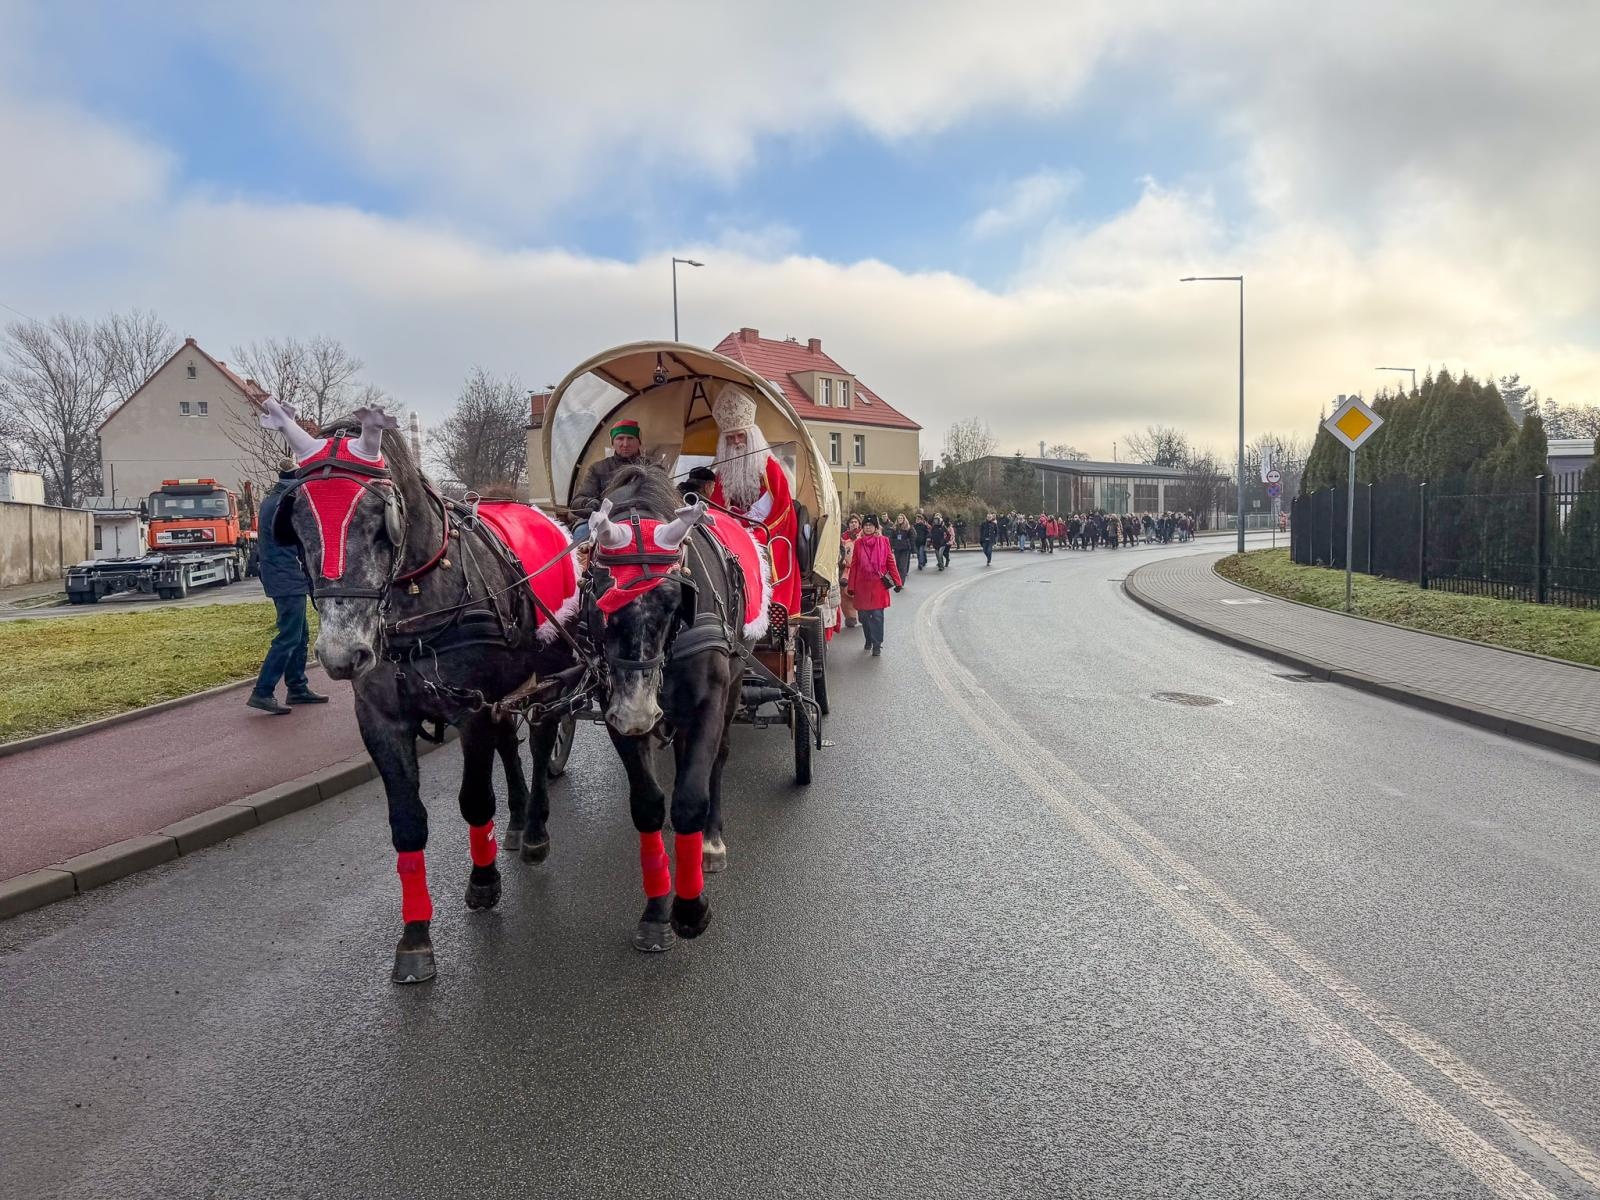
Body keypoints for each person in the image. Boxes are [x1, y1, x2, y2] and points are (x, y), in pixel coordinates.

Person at [709, 385, 801, 616]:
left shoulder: (769, 466)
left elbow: (783, 510)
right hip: (735, 532)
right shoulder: (723, 473)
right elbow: (717, 508)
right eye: (731, 438)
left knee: (765, 550)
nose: (737, 441)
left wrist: (758, 533)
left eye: (741, 435)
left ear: (752, 437)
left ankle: (772, 608)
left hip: (768, 532)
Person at [248, 460, 328, 715]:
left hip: (281, 575)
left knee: (300, 634)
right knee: (289, 636)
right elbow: (303, 537)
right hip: (288, 577)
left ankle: (297, 686)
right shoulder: (290, 500)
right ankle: (263, 691)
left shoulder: (274, 498)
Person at [570, 419, 646, 541]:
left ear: (639, 442)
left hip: (645, 520)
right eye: (620, 438)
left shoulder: (652, 467)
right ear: (613, 443)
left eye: (630, 438)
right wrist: (589, 503)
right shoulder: (598, 468)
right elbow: (577, 502)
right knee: (581, 533)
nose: (625, 444)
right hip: (606, 520)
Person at [844, 514, 903, 657]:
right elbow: (855, 566)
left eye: (871, 525)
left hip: (878, 586)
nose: (868, 527)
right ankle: (869, 639)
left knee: (877, 615)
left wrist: (897, 581)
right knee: (863, 616)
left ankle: (877, 644)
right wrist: (851, 586)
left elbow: (890, 562)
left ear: (876, 527)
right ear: (863, 528)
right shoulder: (858, 543)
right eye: (865, 525)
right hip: (862, 586)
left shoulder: (884, 541)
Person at [838, 514, 862, 628]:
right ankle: (850, 616)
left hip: (861, 569)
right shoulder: (843, 537)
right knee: (845, 594)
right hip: (845, 570)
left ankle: (863, 612)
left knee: (861, 592)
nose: (854, 524)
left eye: (855, 522)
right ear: (848, 524)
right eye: (851, 522)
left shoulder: (864, 536)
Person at [890, 513, 915, 582]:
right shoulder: (895, 527)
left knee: (902, 566)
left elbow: (912, 537)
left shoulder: (908, 527)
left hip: (905, 549)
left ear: (904, 519)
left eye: (901, 518)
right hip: (897, 548)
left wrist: (913, 550)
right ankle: (897, 580)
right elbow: (891, 538)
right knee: (897, 566)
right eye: (899, 518)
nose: (900, 520)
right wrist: (891, 547)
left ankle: (901, 582)